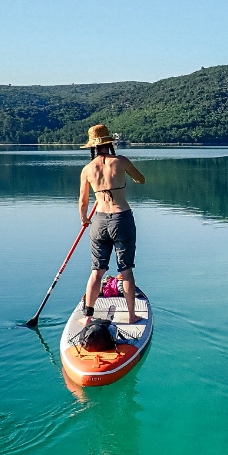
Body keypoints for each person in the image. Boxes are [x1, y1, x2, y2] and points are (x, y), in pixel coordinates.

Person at [79, 124, 146, 324]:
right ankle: (131, 315)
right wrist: (128, 176)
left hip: (98, 220)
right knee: (125, 270)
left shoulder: (87, 169)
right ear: (109, 143)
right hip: (121, 217)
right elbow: (141, 180)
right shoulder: (121, 161)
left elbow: (83, 202)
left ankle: (87, 317)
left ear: (93, 147)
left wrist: (84, 219)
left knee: (96, 271)